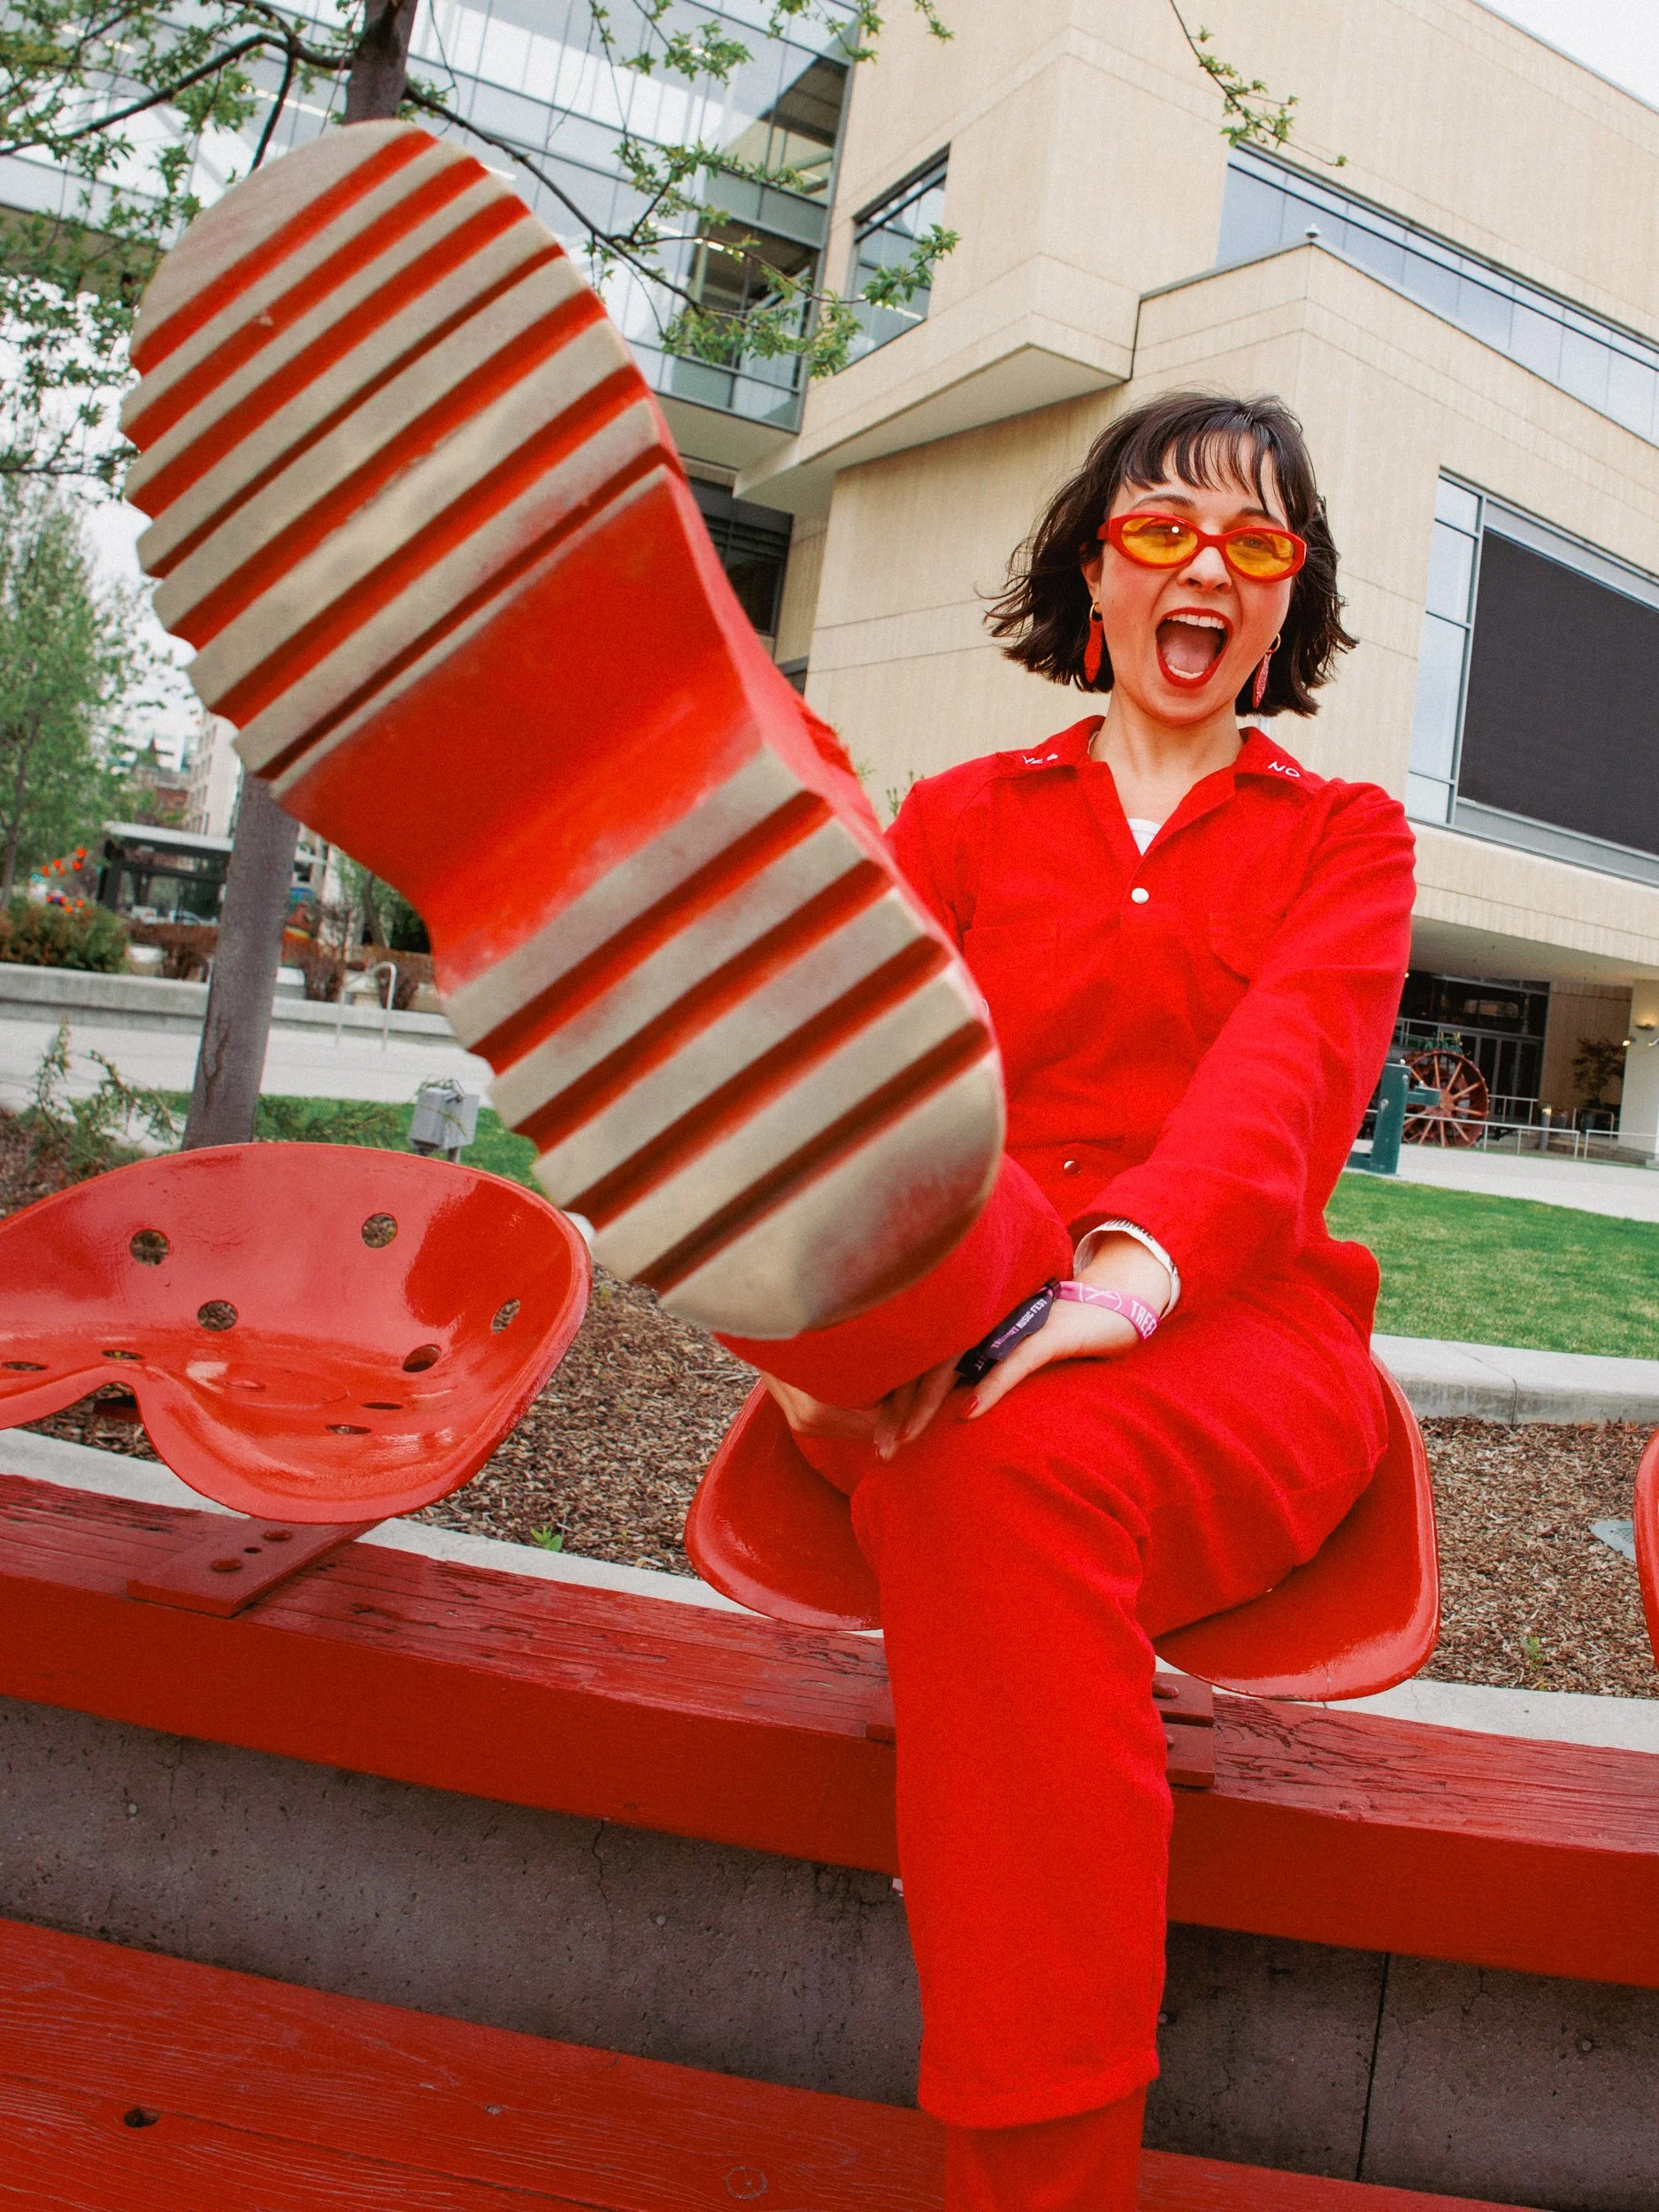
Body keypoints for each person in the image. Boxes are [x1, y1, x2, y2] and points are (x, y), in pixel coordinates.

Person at [710, 390, 1417, 2210]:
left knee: (986, 1477)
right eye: (1161, 527)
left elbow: (1288, 1079)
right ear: (1092, 570)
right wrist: (809, 1351)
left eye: (1254, 541)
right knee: (950, 1414)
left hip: (1240, 1333)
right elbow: (863, 1087)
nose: (1205, 567)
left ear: (1289, 597)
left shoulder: (1345, 836)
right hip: (964, 1292)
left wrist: (1128, 1277)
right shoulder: (956, 817)